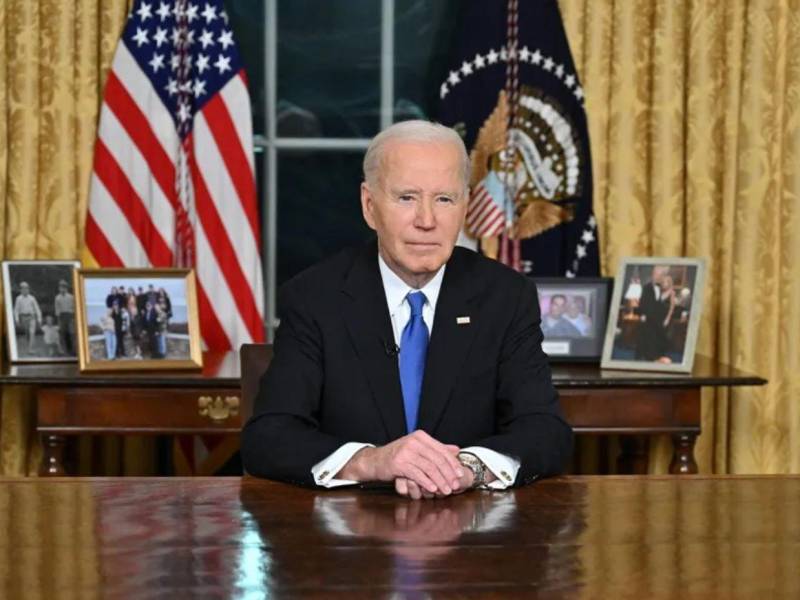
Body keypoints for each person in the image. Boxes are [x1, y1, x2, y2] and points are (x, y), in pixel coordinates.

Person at [242, 120, 572, 500]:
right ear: (369, 206)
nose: (427, 220)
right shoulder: (315, 297)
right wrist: (371, 461)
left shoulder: (506, 296)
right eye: (407, 198)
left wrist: (469, 468)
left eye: (444, 199)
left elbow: (546, 430)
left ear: (465, 206)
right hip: (346, 538)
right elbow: (268, 436)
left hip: (472, 536)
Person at [635, 266, 675, 361]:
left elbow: (669, 307)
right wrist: (642, 315)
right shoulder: (647, 287)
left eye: (660, 275)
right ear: (652, 274)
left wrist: (667, 318)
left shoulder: (663, 288)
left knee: (658, 342)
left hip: (659, 319)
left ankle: (657, 357)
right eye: (655, 274)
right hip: (650, 320)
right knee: (647, 342)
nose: (657, 276)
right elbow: (645, 304)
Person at [13, 281, 42, 355]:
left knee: (32, 333)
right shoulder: (18, 299)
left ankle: (31, 349)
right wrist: (16, 320)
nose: (25, 290)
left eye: (26, 288)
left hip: (32, 317)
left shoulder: (32, 298)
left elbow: (37, 308)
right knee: (27, 334)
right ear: (21, 290)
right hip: (23, 317)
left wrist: (39, 319)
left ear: (28, 289)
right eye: (23, 289)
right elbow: (16, 310)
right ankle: (30, 346)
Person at [54, 279, 75, 355]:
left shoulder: (71, 297)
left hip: (70, 316)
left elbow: (74, 307)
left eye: (64, 287)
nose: (62, 289)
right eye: (61, 287)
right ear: (59, 288)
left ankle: (73, 350)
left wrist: (73, 317)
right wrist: (58, 319)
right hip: (62, 316)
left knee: (71, 333)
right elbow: (57, 309)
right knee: (62, 333)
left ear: (66, 288)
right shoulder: (57, 298)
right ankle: (64, 350)